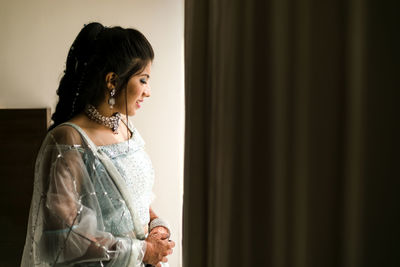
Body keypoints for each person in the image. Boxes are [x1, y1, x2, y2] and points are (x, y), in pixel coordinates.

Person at [21, 22, 175, 267]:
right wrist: (142, 250)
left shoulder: (127, 129)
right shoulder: (68, 140)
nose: (148, 92)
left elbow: (133, 202)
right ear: (112, 81)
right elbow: (64, 236)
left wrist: (157, 226)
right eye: (143, 80)